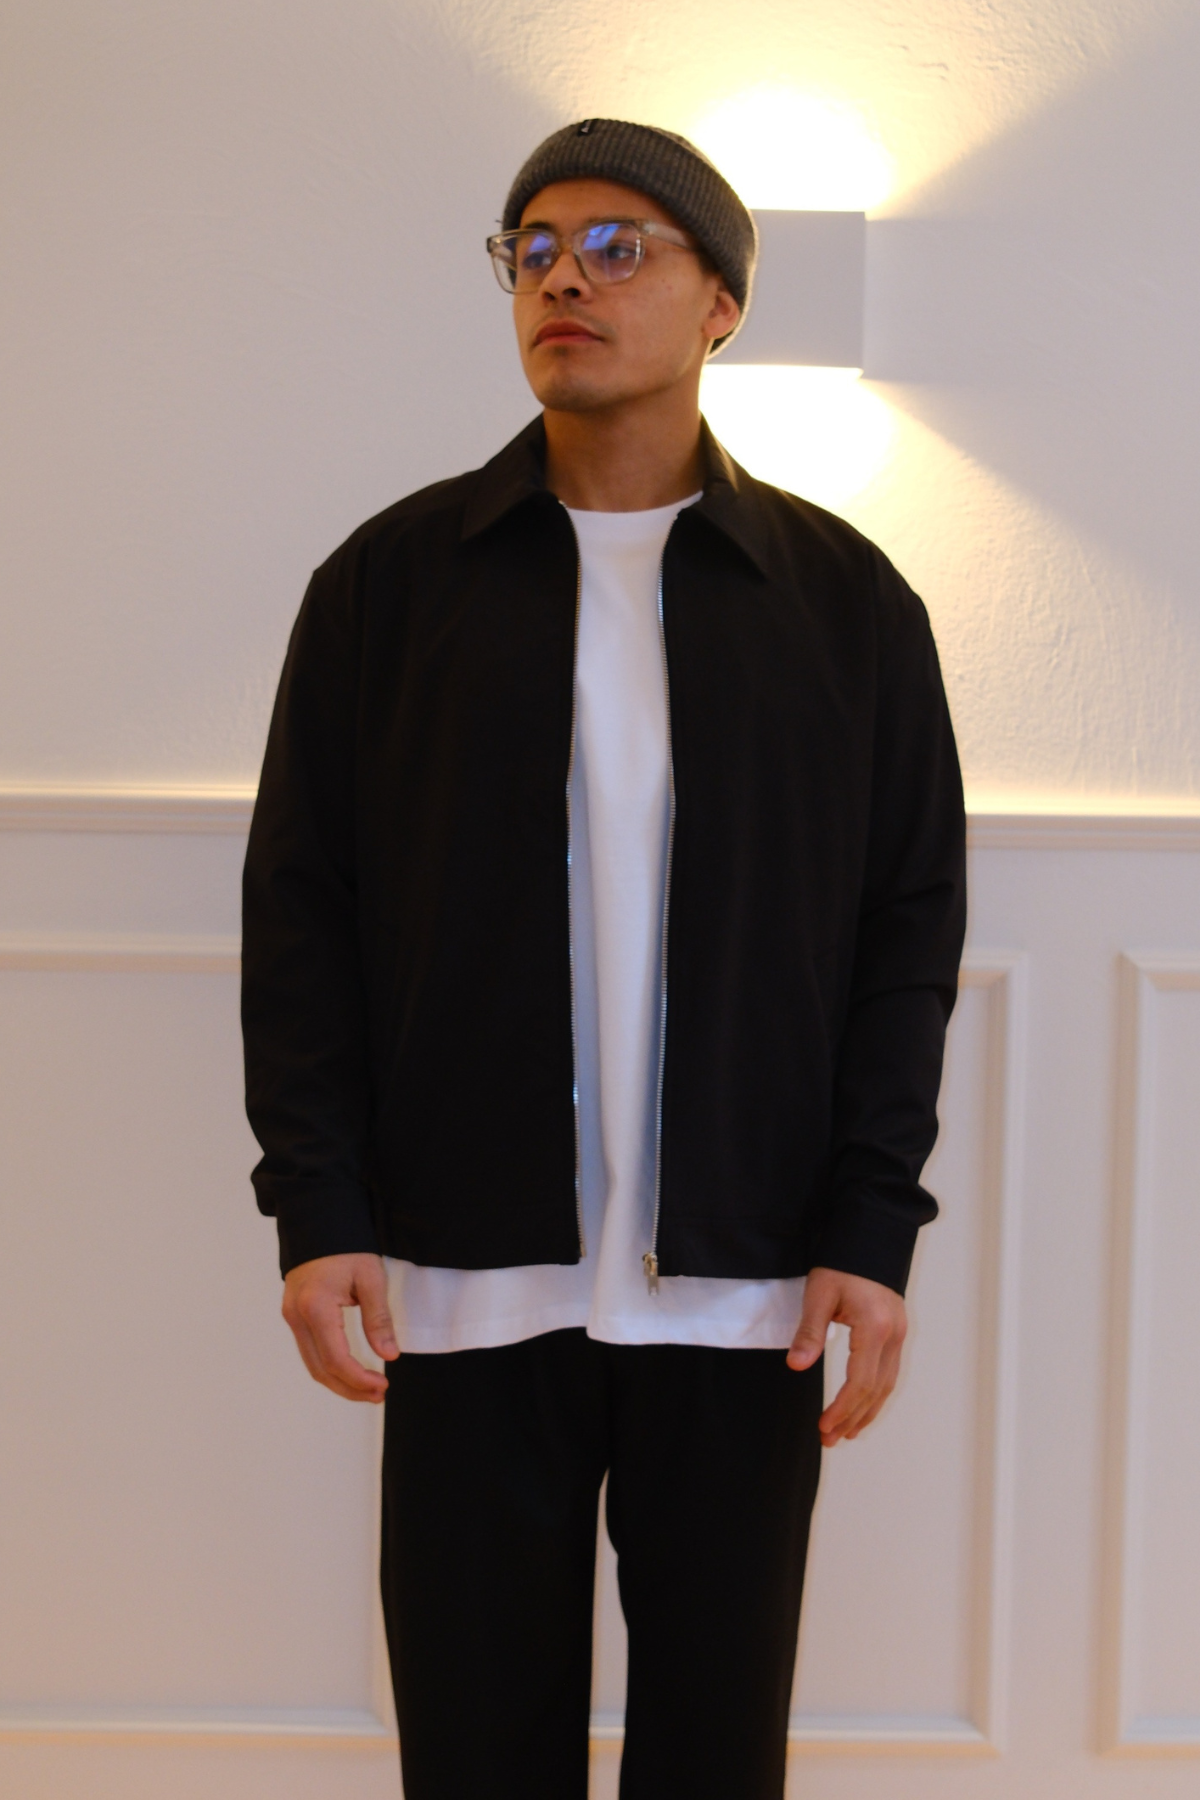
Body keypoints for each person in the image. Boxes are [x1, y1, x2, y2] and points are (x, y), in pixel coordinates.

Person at [241, 117, 967, 1800]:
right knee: (474, 1755)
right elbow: (303, 918)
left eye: (619, 246)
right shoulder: (390, 588)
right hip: (462, 1279)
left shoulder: (845, 606)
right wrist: (319, 1207)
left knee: (716, 1756)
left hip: (746, 1289)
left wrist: (870, 1228)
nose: (565, 278)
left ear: (723, 302)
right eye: (536, 249)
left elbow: (904, 931)